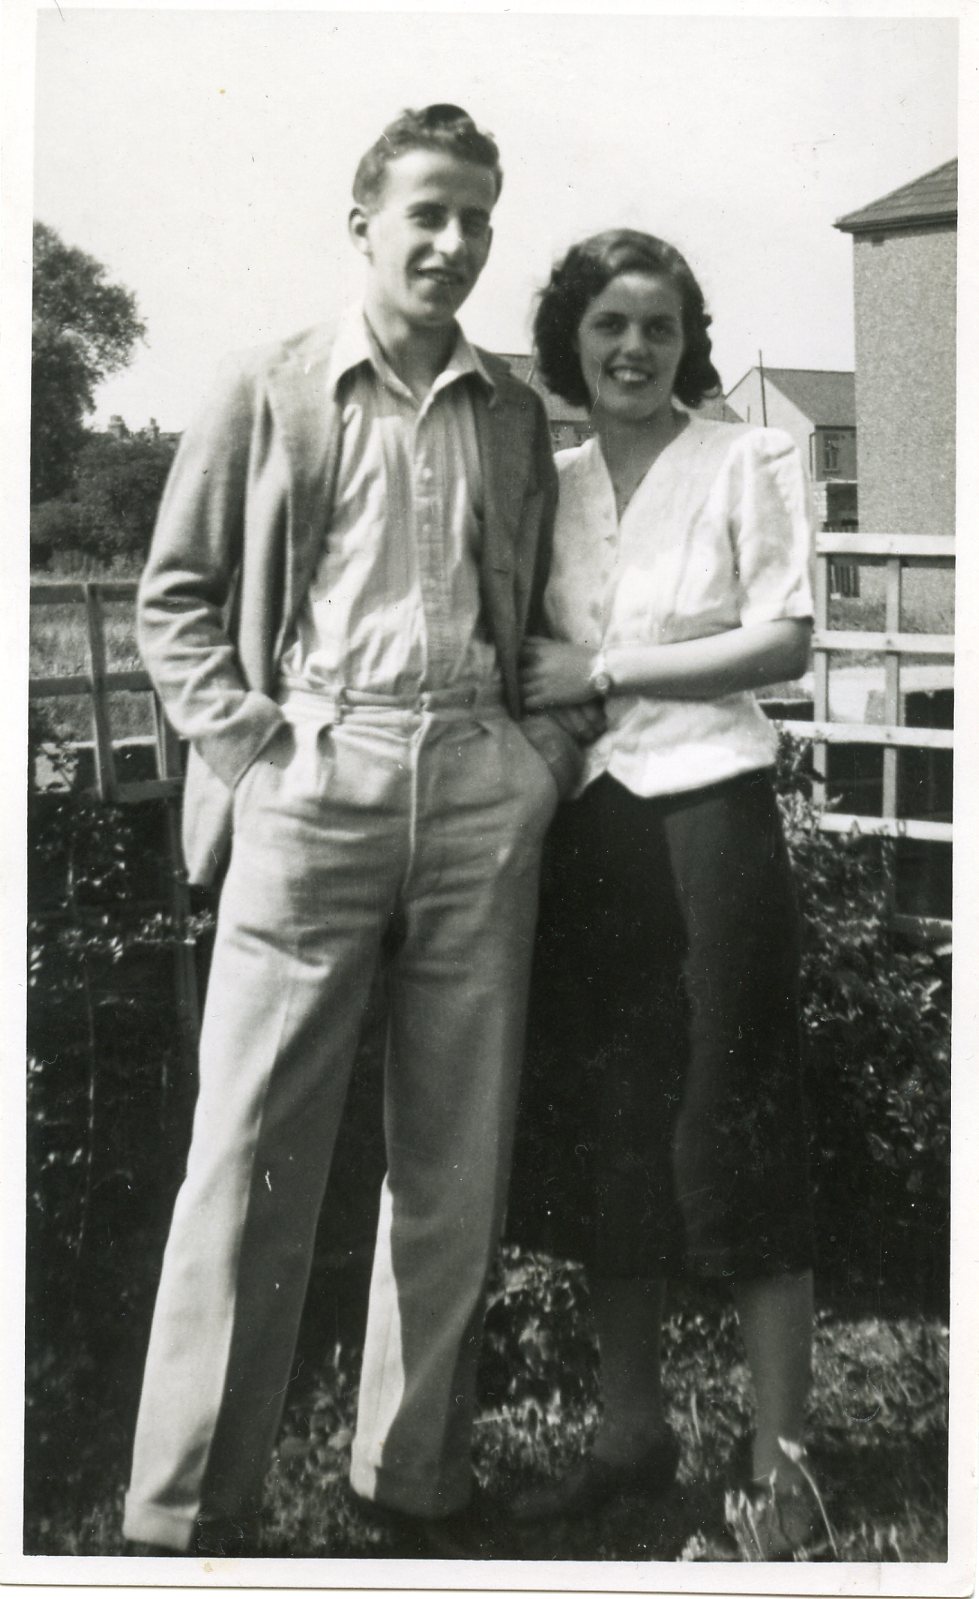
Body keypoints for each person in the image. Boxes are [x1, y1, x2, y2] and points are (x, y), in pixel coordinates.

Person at [122, 104, 589, 1559]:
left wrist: (538, 764)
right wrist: (259, 757)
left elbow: (546, 622)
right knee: (250, 1150)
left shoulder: (513, 411)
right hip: (311, 773)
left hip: (472, 781)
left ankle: (414, 1480)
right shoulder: (269, 388)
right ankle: (187, 1507)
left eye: (477, 222)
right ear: (364, 224)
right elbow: (175, 599)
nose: (454, 245)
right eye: (428, 215)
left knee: (455, 1158)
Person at [514, 229, 820, 1558]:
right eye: (605, 328)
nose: (631, 350)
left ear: (687, 337)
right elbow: (521, 644)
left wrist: (611, 671)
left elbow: (787, 637)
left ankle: (783, 1474)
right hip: (591, 830)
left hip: (711, 821)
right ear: (570, 344)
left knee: (731, 1115)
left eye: (654, 326)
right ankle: (629, 1434)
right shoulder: (552, 480)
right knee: (610, 1125)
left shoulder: (748, 458)